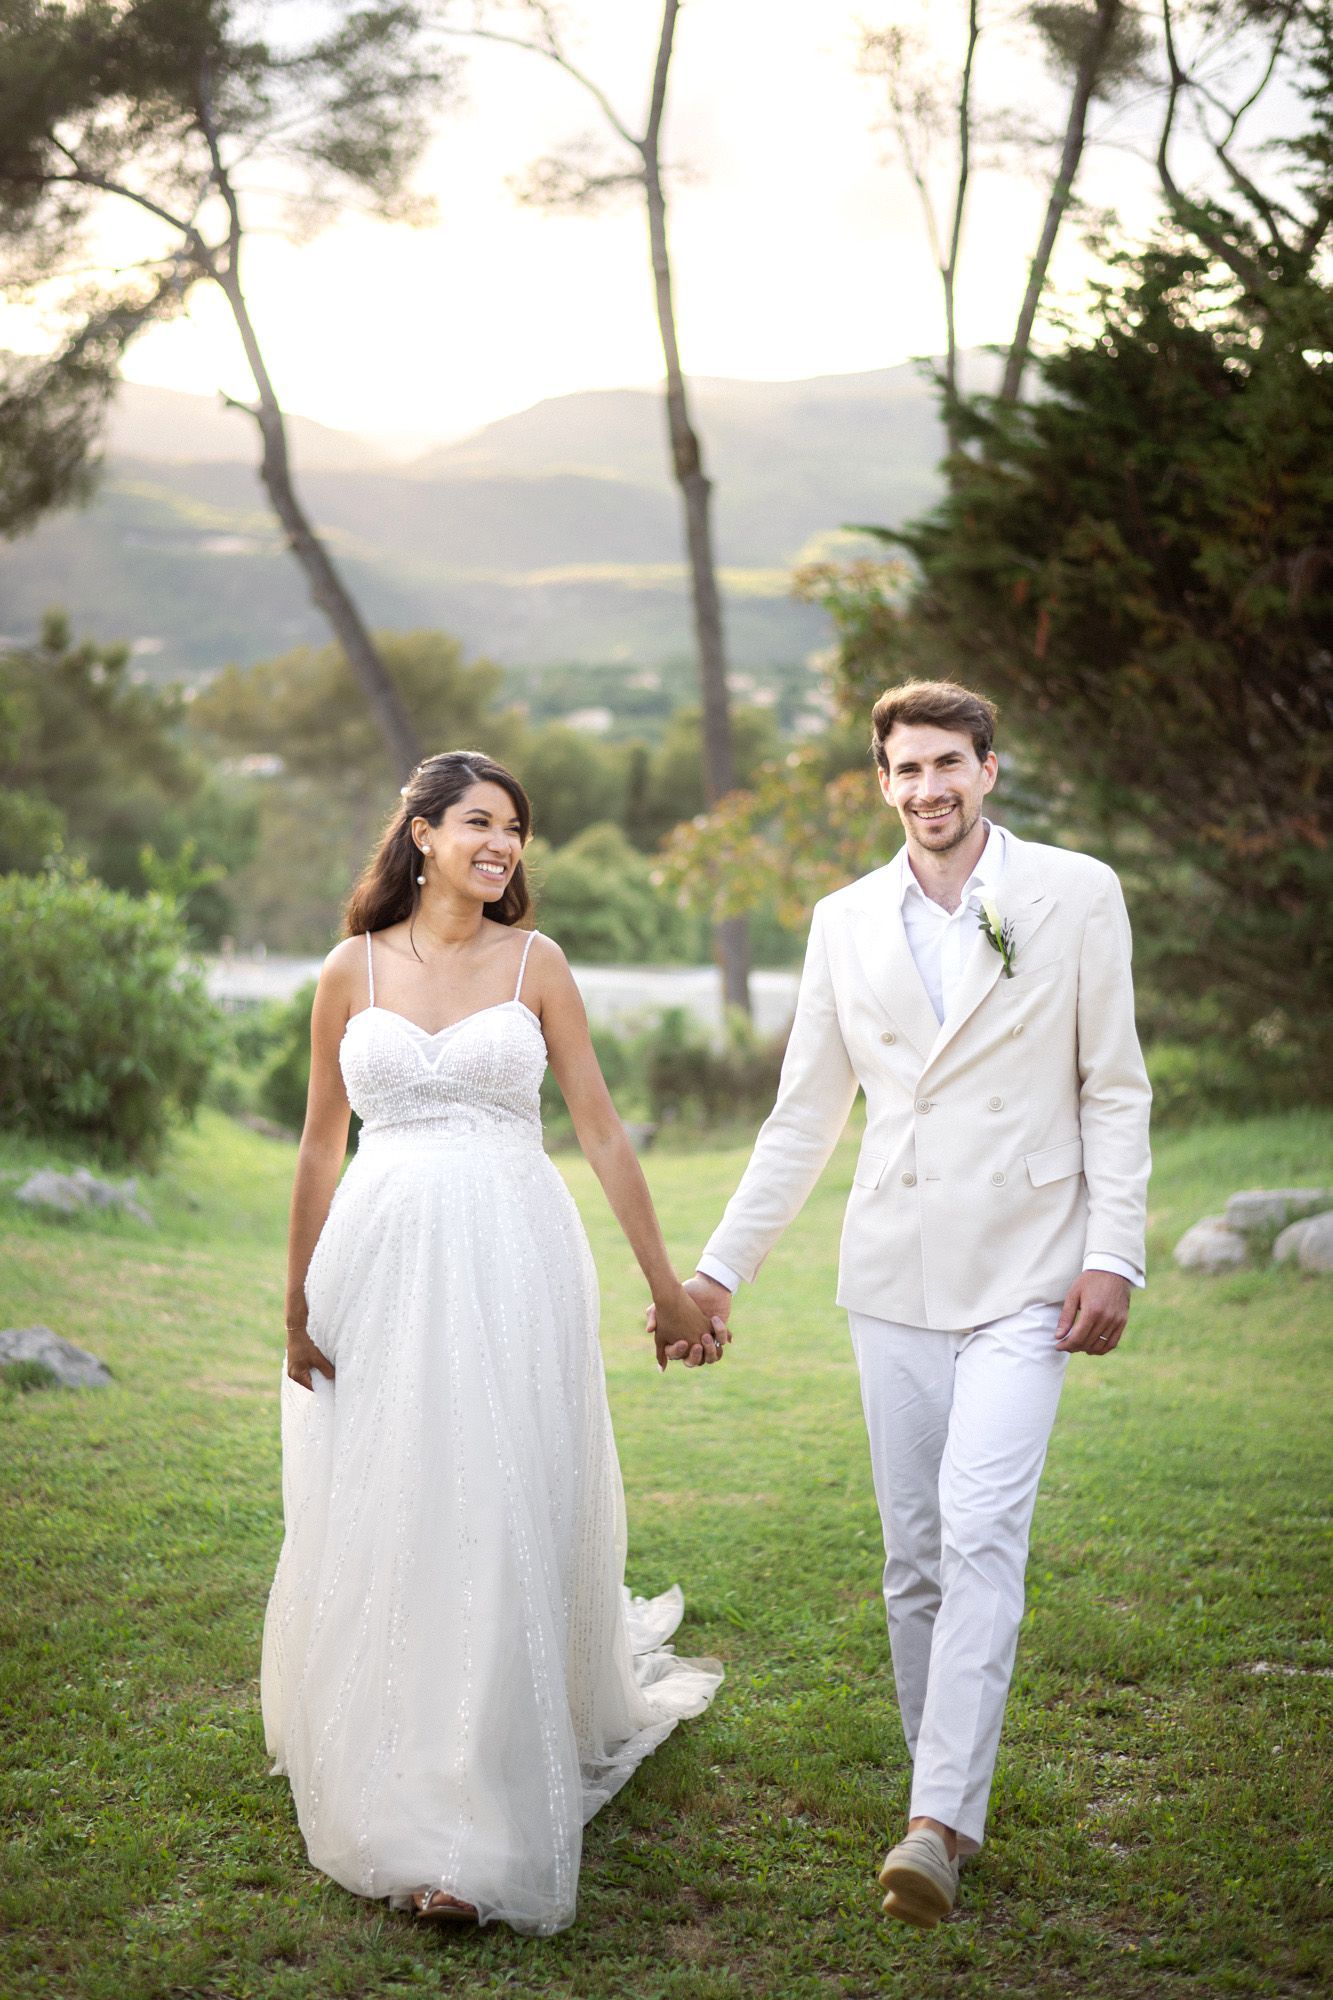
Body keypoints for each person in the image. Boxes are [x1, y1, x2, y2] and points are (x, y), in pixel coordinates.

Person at [663, 680, 1152, 1927]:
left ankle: (935, 1819)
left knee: (984, 1523)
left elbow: (1114, 1087)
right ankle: (944, 1791)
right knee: (913, 1556)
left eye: (948, 762)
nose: (927, 786)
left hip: (1033, 1264)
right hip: (893, 1269)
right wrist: (716, 1270)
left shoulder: (1075, 893)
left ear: (990, 767)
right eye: (904, 769)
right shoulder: (841, 920)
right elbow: (805, 1115)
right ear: (882, 784)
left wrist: (1118, 1250)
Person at [261, 749, 723, 1937]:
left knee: (499, 1494)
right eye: (478, 821)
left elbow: (604, 1134)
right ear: (419, 833)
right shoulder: (348, 968)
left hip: (515, 1257)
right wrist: (297, 1294)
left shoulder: (538, 964)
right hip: (378, 1259)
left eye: (514, 828)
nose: (502, 844)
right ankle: (389, 1743)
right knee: (401, 1501)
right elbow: (321, 1145)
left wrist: (668, 1287)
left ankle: (467, 1819)